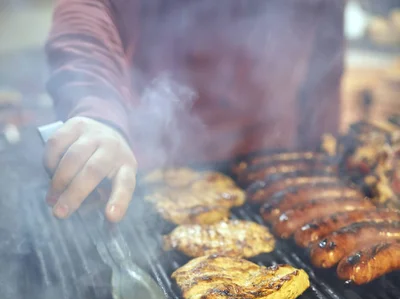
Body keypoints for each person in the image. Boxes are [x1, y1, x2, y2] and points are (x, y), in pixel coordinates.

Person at [43, 0, 345, 222]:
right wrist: (98, 108)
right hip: (163, 158)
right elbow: (90, 7)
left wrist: (322, 147)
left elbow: (325, 59)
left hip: (274, 163)